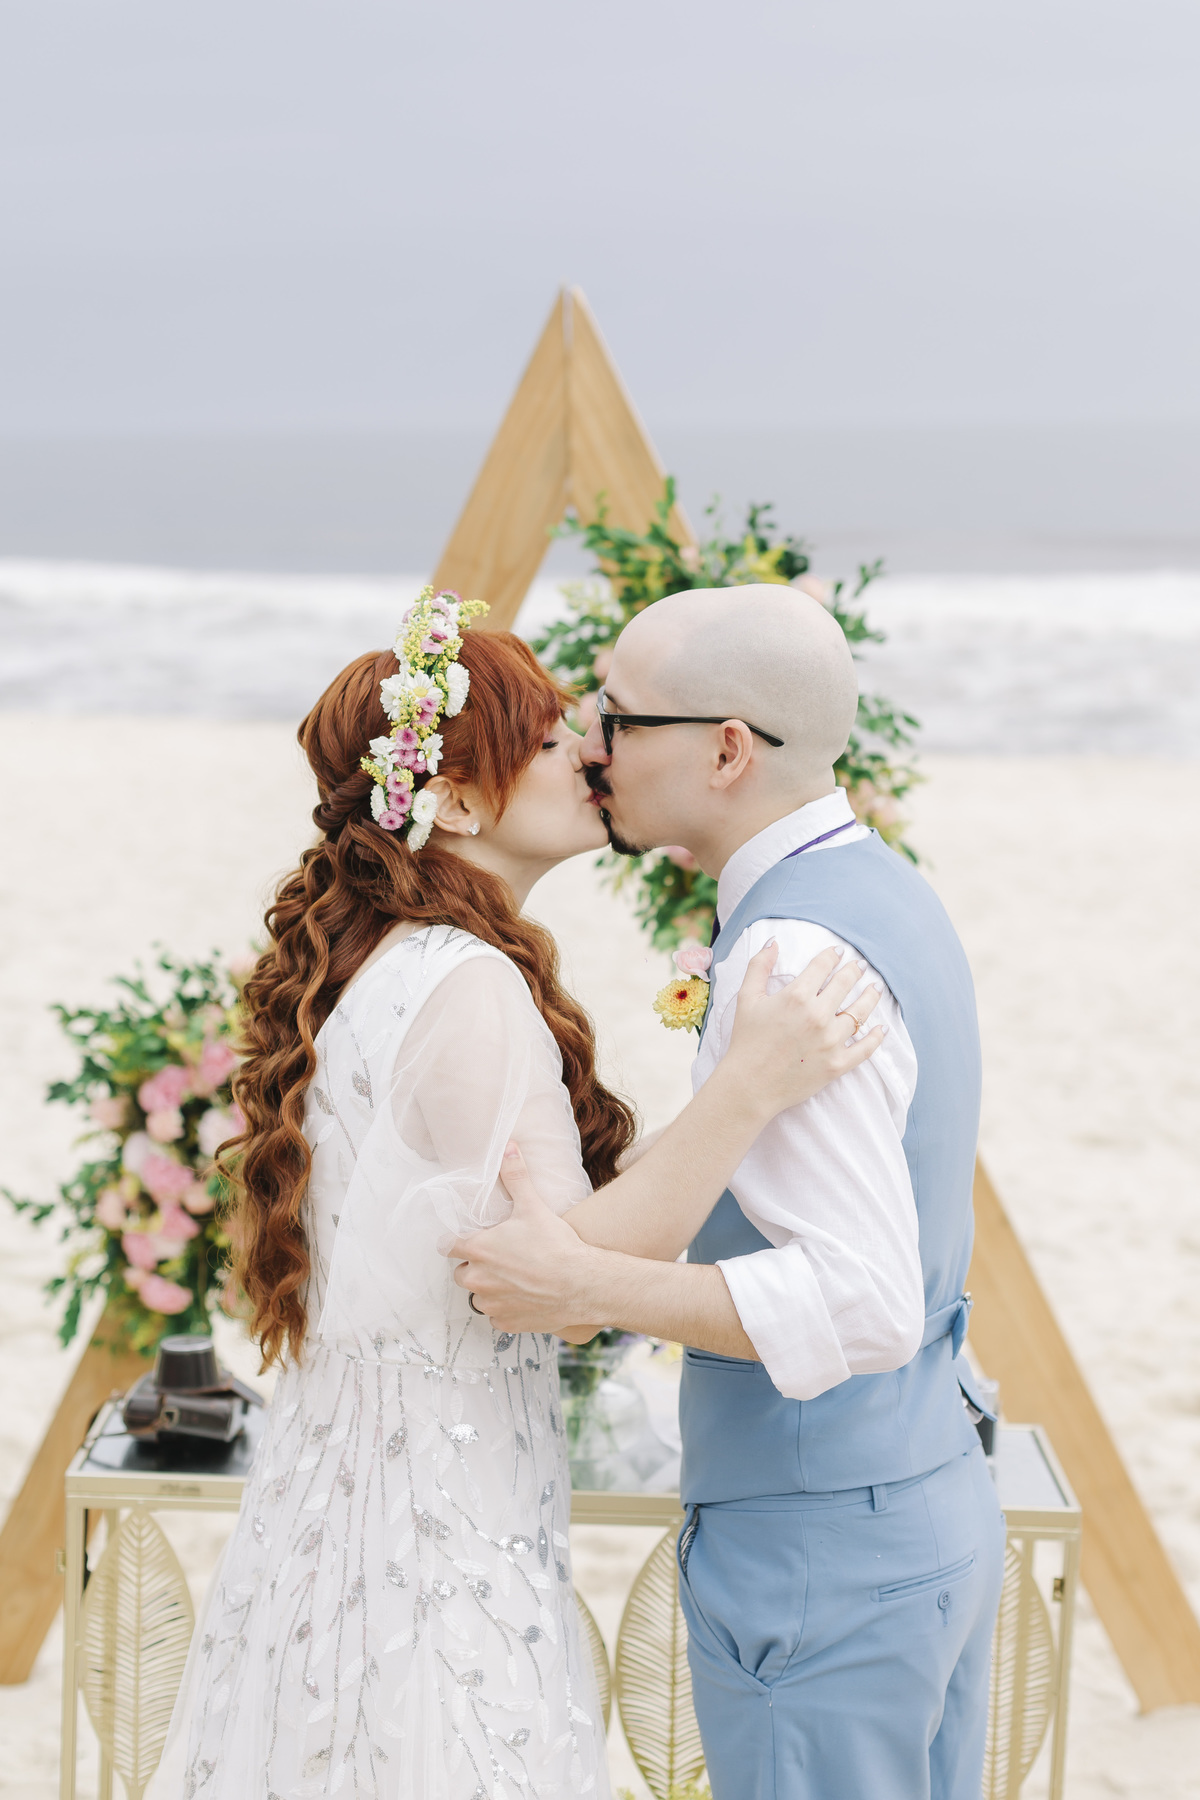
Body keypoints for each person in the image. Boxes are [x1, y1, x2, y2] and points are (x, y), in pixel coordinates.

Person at [148, 590, 888, 1800]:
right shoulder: (467, 983)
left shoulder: (380, 968)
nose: (588, 752)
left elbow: (531, 1245)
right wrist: (748, 1090)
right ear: (453, 799)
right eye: (548, 739)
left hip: (342, 1515)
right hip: (435, 1537)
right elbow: (574, 1285)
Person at [449, 585, 1007, 1800]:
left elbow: (860, 1300)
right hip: (927, 1500)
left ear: (727, 750)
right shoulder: (881, 890)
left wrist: (590, 1283)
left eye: (617, 716)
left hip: (827, 1555)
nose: (591, 744)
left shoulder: (790, 951)